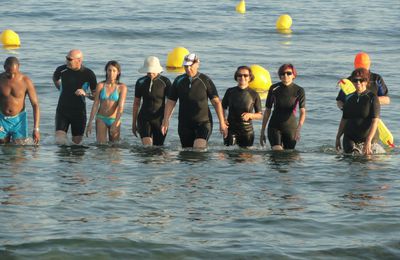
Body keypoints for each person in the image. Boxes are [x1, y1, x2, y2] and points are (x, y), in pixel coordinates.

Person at [161, 53, 228, 149]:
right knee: (187, 154)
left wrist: (222, 123)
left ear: (197, 64)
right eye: (185, 66)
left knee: (198, 149)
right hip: (184, 124)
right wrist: (165, 120)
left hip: (203, 122)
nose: (188, 69)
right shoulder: (178, 80)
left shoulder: (205, 80)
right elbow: (171, 102)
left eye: (190, 66)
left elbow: (216, 102)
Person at [53, 49, 97, 145]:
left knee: (76, 146)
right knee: (59, 141)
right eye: (66, 58)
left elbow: (95, 96)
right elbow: (55, 78)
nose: (67, 61)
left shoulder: (88, 74)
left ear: (79, 60)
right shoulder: (61, 70)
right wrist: (60, 88)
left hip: (79, 113)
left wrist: (85, 94)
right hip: (62, 110)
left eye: (70, 59)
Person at [260, 63, 306, 150]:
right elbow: (267, 110)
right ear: (279, 75)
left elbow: (303, 112)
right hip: (274, 126)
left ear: (293, 75)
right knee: (277, 152)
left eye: (288, 73)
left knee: (289, 157)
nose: (285, 75)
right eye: (282, 73)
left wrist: (298, 129)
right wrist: (262, 131)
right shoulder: (273, 88)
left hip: (290, 127)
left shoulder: (299, 90)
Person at [336, 68, 380, 155]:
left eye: (361, 80)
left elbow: (375, 121)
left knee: (367, 162)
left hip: (368, 137)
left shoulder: (372, 98)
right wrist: (338, 138)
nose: (358, 83)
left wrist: (368, 140)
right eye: (355, 80)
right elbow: (344, 119)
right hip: (350, 136)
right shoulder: (349, 97)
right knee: (351, 158)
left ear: (366, 81)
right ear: (352, 82)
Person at [0, 57, 40, 144]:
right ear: (4, 67)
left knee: (19, 148)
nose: (12, 76)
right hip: (2, 119)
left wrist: (36, 129)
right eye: (9, 73)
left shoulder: (26, 81)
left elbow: (35, 105)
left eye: (14, 73)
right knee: (2, 144)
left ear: (18, 67)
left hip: (19, 120)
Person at [132, 56, 171, 146]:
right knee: (147, 148)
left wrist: (166, 120)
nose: (150, 73)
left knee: (158, 150)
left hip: (160, 120)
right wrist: (134, 124)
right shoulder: (140, 82)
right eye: (148, 71)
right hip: (144, 118)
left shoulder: (165, 82)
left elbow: (170, 104)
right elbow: (136, 104)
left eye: (152, 71)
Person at [86, 60, 127, 143]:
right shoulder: (101, 85)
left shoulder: (122, 87)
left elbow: (121, 107)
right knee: (101, 146)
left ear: (118, 72)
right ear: (106, 71)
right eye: (109, 70)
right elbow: (95, 104)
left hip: (114, 119)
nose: (111, 73)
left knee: (115, 148)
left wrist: (116, 123)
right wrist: (90, 122)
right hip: (101, 118)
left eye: (114, 71)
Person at [222, 66, 262, 147]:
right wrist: (223, 119)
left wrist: (250, 115)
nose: (242, 77)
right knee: (230, 155)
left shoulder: (254, 94)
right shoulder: (230, 91)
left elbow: (260, 115)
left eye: (245, 75)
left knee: (245, 156)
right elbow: (222, 107)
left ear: (250, 77)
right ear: (236, 77)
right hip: (231, 129)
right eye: (239, 75)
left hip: (247, 131)